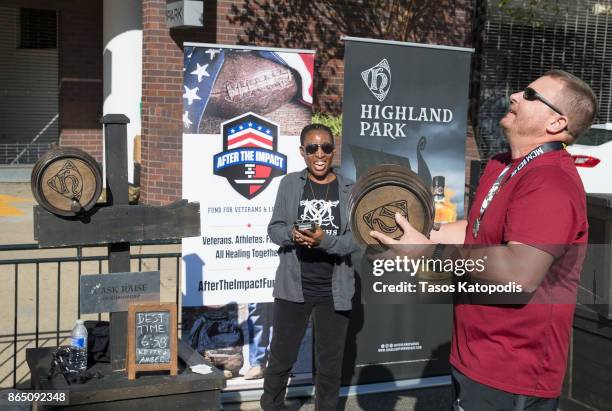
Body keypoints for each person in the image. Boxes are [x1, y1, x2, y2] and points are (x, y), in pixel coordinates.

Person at [371, 70, 597, 410]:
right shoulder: (501, 164)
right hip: (473, 355)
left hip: (513, 370)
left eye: (531, 96)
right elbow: (475, 230)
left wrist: (427, 251)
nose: (516, 96)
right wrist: (407, 228)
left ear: (556, 123)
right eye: (523, 89)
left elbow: (520, 270)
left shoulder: (551, 181)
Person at [261, 123, 357, 410]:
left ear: (332, 150)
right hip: (294, 287)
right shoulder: (289, 184)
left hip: (334, 291)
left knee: (329, 367)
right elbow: (274, 230)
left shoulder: (350, 188)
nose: (320, 154)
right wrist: (293, 234)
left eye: (326, 147)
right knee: (280, 359)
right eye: (312, 148)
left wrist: (323, 240)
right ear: (302, 152)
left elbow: (355, 241)